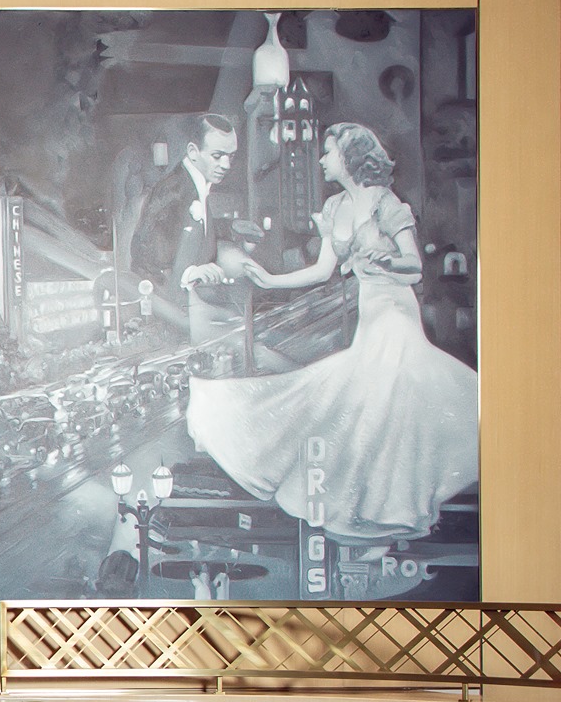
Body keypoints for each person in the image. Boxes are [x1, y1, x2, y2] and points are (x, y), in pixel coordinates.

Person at [191, 122, 477, 544]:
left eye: (328, 153)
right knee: (365, 403)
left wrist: (385, 261)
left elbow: (414, 267)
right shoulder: (336, 208)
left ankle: (390, 506)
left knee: (383, 403)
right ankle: (377, 505)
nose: (321, 160)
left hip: (396, 313)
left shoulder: (388, 205)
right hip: (370, 315)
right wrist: (270, 280)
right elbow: (322, 271)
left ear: (350, 157)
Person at [131, 114, 242, 350]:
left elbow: (187, 235)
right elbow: (145, 256)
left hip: (193, 315)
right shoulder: (172, 190)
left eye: (231, 156)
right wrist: (190, 272)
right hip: (169, 322)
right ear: (193, 152)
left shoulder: (197, 186)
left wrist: (230, 231)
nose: (226, 165)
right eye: (217, 156)